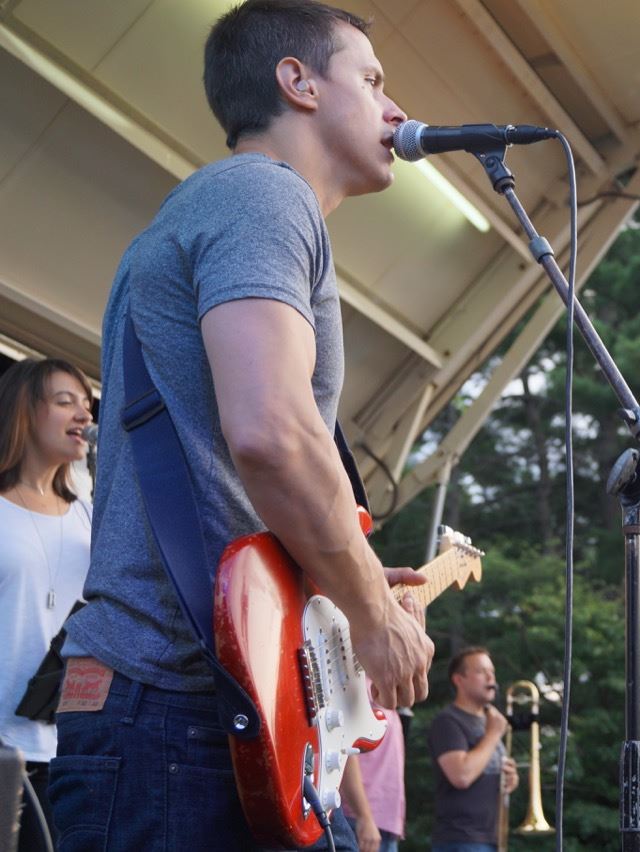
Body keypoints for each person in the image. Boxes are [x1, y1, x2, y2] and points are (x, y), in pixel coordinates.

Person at [47, 2, 435, 849]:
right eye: (371, 81)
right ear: (295, 82)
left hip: (177, 710)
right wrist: (372, 613)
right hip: (175, 710)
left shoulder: (222, 208)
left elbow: (234, 471)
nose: (396, 109)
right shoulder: (262, 193)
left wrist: (347, 571)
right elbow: (274, 435)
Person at [0, 359, 94, 852]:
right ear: (24, 411)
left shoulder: (89, 516)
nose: (83, 414)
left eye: (86, 404)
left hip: (67, 751)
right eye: (65, 402)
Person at [428, 647, 520, 852]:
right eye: (481, 671)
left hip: (490, 838)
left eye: (492, 671)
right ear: (459, 680)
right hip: (460, 839)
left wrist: (509, 779)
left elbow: (485, 770)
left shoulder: (490, 721)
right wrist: (494, 735)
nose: (490, 677)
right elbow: (461, 775)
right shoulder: (448, 721)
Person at [340, 688, 406, 852]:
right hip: (358, 820)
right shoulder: (359, 686)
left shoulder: (383, 688)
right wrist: (364, 817)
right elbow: (347, 751)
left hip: (383, 824)